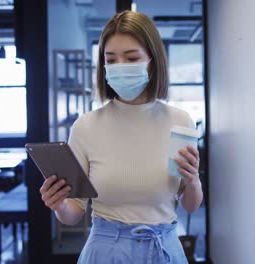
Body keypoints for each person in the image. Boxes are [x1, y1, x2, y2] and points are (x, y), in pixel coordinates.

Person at [39, 10, 203, 264]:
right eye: (111, 60)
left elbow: (190, 205)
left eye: (131, 57)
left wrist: (193, 181)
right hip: (106, 251)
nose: (120, 67)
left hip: (164, 250)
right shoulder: (86, 127)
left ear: (153, 60)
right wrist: (58, 204)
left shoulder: (180, 122)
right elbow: (73, 213)